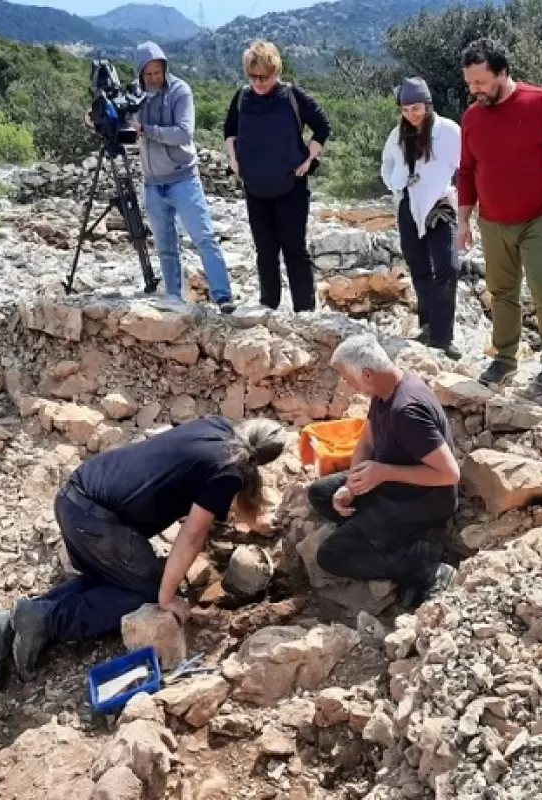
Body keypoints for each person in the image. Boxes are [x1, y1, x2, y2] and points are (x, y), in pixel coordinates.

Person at [0, 416, 290, 688]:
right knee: (146, 593)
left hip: (75, 500)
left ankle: (6, 622)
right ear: (261, 463)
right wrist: (166, 596)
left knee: (116, 578)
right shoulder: (228, 470)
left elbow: (207, 479)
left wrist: (255, 521)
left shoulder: (217, 426)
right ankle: (48, 620)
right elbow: (192, 535)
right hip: (97, 523)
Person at [456, 37, 542, 392]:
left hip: (539, 217)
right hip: (492, 221)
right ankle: (504, 358)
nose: (475, 90)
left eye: (480, 82)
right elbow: (466, 171)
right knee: (501, 292)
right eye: (470, 83)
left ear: (503, 72)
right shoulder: (472, 117)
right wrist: (463, 220)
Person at [306, 334, 460, 608]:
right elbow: (367, 439)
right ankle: (377, 533)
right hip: (389, 483)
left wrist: (384, 472)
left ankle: (422, 565)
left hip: (421, 501)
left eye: (348, 378)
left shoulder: (407, 411)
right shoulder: (384, 390)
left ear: (366, 374)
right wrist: (351, 485)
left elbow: (449, 474)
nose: (347, 384)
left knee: (331, 556)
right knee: (321, 493)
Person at [224, 39, 332, 313]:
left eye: (264, 76)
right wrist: (233, 158)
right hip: (255, 186)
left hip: (290, 186)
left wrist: (309, 159)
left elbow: (322, 126)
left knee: (294, 249)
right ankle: (268, 306)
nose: (258, 82)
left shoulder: (293, 96)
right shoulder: (242, 98)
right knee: (265, 250)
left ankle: (305, 311)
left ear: (276, 71)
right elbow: (230, 130)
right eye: (253, 76)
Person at [132, 42, 237, 313]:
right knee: (166, 245)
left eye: (158, 72)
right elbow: (127, 129)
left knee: (203, 237)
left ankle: (223, 296)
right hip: (153, 182)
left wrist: (146, 129)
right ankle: (174, 299)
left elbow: (183, 133)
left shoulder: (180, 91)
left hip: (183, 179)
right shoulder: (136, 95)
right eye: (149, 74)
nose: (155, 78)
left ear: (166, 67)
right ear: (140, 73)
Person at [381, 77, 462, 361]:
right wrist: (398, 183)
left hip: (440, 206)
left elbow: (463, 168)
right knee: (419, 268)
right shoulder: (397, 136)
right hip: (409, 206)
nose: (411, 115)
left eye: (416, 108)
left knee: (448, 267)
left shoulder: (449, 131)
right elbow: (387, 166)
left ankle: (443, 337)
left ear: (427, 105)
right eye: (405, 110)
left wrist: (467, 212)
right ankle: (428, 327)